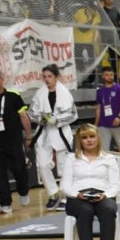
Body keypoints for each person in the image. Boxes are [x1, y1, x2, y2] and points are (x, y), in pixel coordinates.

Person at [60, 124, 120, 240]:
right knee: (85, 211)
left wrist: (105, 195)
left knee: (108, 209)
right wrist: (77, 195)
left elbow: (116, 185)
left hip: (103, 195)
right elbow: (65, 186)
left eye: (92, 136)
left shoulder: (109, 158)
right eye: (84, 137)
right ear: (79, 141)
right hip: (77, 198)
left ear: (97, 138)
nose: (89, 140)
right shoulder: (71, 159)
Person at [28, 63, 77, 212]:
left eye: (50, 76)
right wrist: (41, 118)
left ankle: (64, 196)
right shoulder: (39, 94)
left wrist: (58, 119)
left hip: (61, 132)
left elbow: (74, 114)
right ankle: (53, 194)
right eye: (44, 76)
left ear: (56, 77)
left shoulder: (65, 93)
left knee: (63, 167)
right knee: (42, 165)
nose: (47, 79)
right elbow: (31, 112)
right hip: (44, 133)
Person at [0, 69, 32, 214]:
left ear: (2, 80)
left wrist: (28, 136)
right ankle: (5, 203)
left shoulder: (14, 96)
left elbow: (24, 117)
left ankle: (23, 191)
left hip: (13, 140)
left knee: (19, 169)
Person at [94, 66, 120, 153]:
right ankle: (106, 166)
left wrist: (119, 117)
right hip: (103, 124)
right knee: (103, 149)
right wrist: (95, 124)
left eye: (111, 75)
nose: (110, 77)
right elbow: (99, 108)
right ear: (102, 76)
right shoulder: (99, 91)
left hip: (117, 123)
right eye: (107, 75)